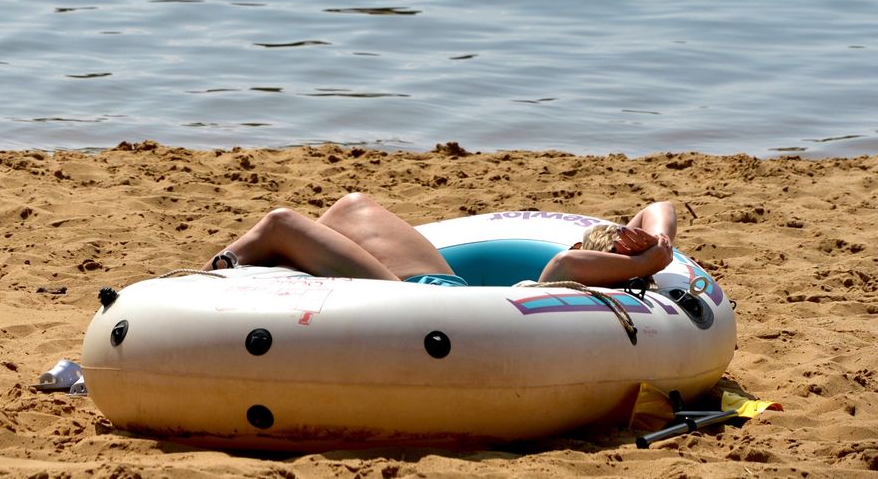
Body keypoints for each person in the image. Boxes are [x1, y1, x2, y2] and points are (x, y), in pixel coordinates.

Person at [206, 193, 677, 288]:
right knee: (350, 207)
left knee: (281, 223)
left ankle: (218, 270)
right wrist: (657, 240)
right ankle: (293, 270)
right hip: (440, 285)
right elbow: (661, 206)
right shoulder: (596, 270)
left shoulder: (564, 272)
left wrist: (651, 258)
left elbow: (571, 264)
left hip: (413, 303)